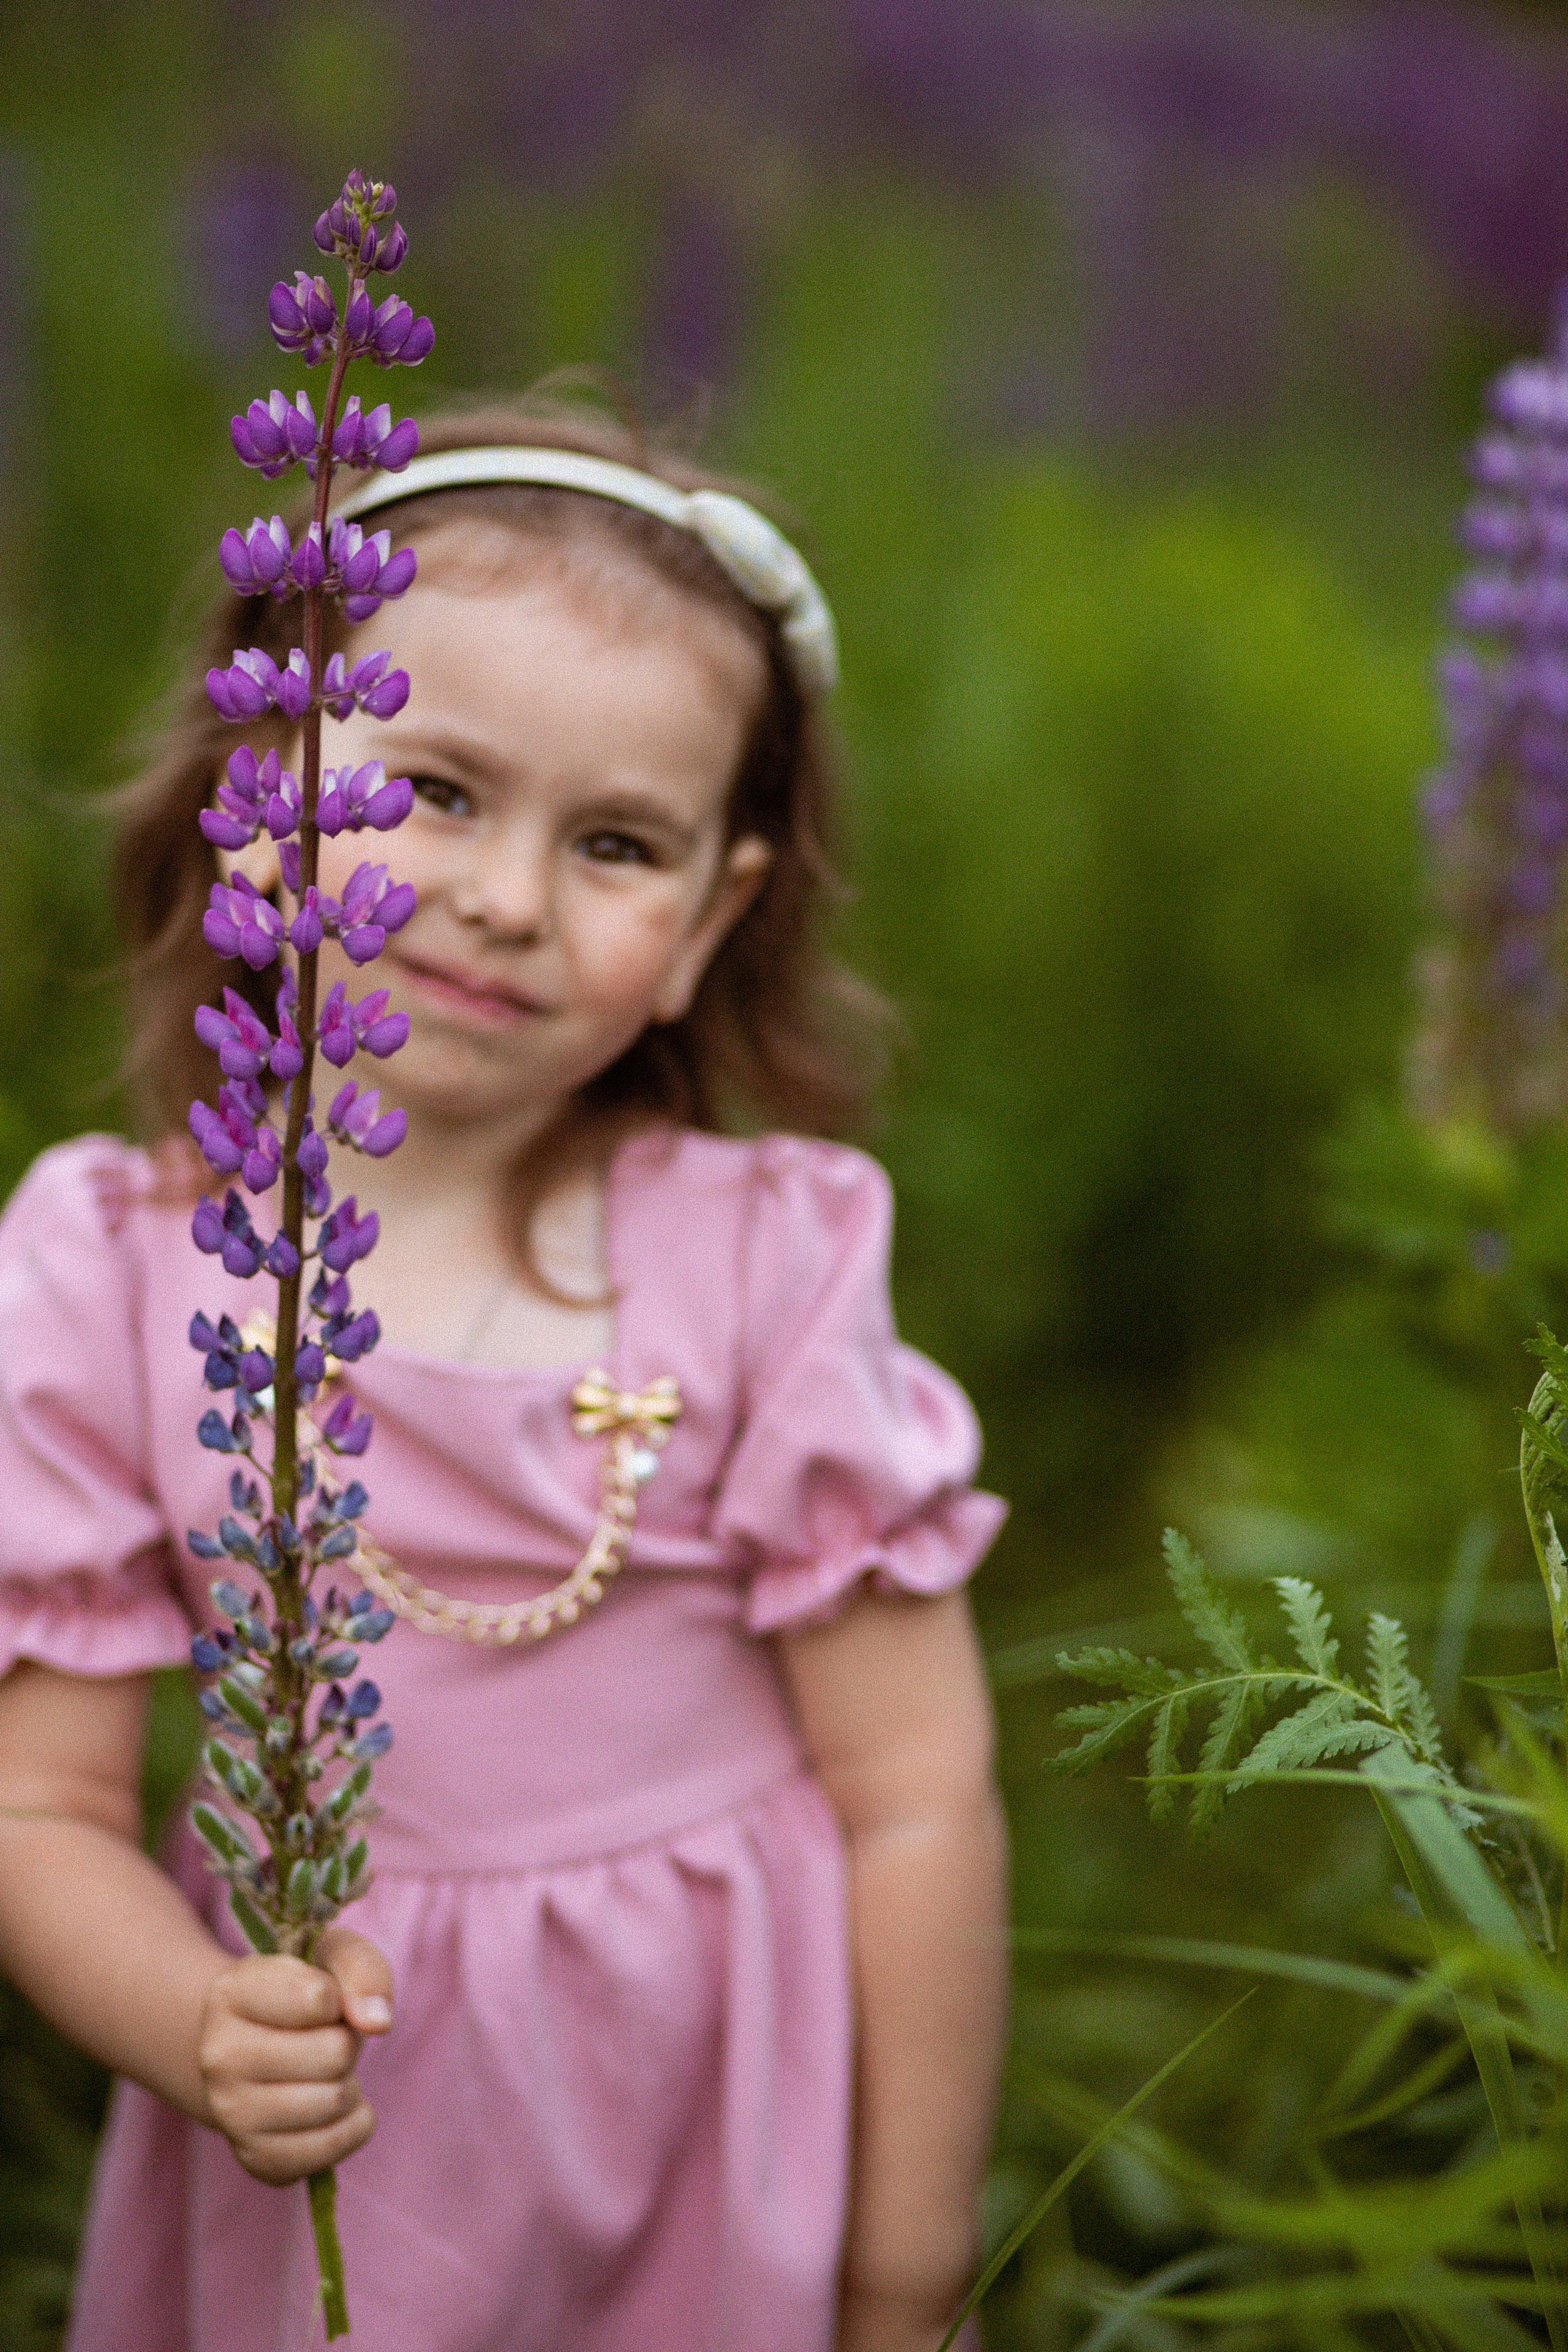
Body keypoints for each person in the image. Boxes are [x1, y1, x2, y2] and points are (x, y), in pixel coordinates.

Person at [0, 398, 1009, 2352]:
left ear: (712, 920)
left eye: (616, 841)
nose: (506, 896)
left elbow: (918, 1797)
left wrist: (902, 2264)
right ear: (261, 778)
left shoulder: (769, 1260)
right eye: (439, 791)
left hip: (720, 2127)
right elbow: (41, 1811)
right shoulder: (104, 1266)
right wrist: (193, 2021)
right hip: (327, 2132)